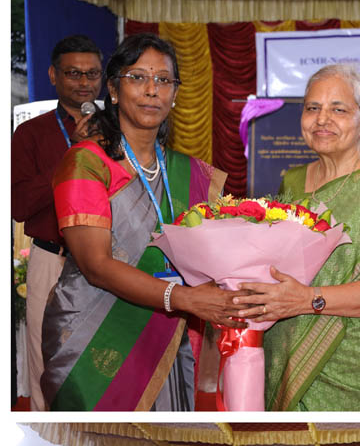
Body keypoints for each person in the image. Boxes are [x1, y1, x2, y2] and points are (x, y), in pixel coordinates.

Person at [42, 33, 245, 411]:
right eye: (138, 77)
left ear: (175, 94)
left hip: (167, 335)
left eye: (164, 80)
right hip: (94, 332)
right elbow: (97, 267)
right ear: (114, 90)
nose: (152, 90)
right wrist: (184, 298)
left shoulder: (188, 172)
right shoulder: (86, 163)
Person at [230, 63, 360, 411]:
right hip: (285, 361)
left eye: (338, 109)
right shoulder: (292, 182)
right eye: (312, 108)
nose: (322, 119)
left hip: (359, 374)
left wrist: (308, 299)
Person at [12, 34, 103, 410]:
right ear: (53, 75)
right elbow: (19, 205)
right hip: (51, 257)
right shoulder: (31, 134)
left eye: (92, 73)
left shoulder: (119, 130)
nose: (84, 82)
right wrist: (72, 155)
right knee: (42, 355)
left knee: (104, 353)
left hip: (106, 260)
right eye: (73, 73)